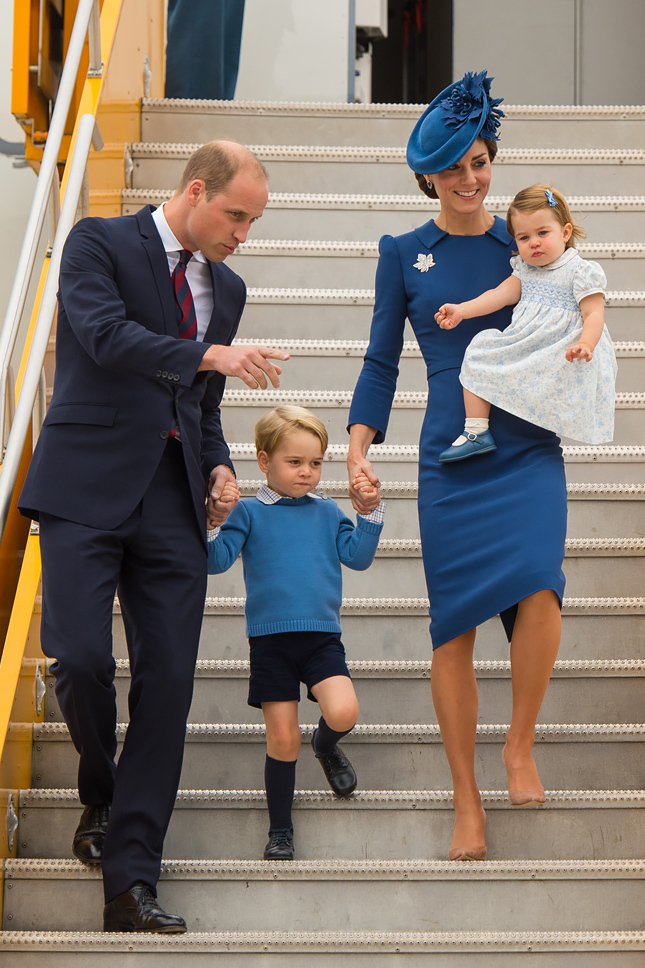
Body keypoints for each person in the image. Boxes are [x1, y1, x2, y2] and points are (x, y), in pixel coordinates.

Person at [18, 141, 290, 932]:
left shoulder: (225, 288)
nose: (243, 235)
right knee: (79, 659)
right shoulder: (98, 242)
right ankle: (98, 791)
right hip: (83, 487)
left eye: (253, 222)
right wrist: (207, 351)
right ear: (195, 190)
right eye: (235, 216)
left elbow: (200, 407)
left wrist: (221, 469)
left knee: (167, 685)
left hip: (172, 507)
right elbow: (102, 337)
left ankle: (130, 882)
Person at [347, 71, 567, 862]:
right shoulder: (404, 254)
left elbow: (576, 307)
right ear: (426, 176)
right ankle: (465, 799)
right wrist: (358, 447)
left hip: (529, 440)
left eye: (479, 161)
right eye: (453, 168)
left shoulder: (529, 239)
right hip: (450, 452)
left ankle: (518, 744)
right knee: (454, 631)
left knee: (542, 585)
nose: (470, 180)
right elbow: (379, 361)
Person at [207, 406, 384, 860]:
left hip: (321, 637)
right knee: (282, 739)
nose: (307, 473)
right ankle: (280, 829)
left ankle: (325, 745)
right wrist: (212, 522)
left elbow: (358, 557)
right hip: (270, 642)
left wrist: (368, 512)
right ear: (264, 461)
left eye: (316, 463)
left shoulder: (328, 512)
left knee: (343, 711)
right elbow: (216, 561)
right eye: (295, 462)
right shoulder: (248, 512)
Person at [435, 183, 617, 462]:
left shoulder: (581, 271)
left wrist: (585, 343)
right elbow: (498, 295)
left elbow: (594, 314)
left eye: (543, 233)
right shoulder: (525, 270)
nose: (534, 242)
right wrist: (462, 310)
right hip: (528, 345)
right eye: (523, 237)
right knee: (480, 349)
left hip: (562, 351)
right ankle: (476, 431)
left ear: (565, 232)